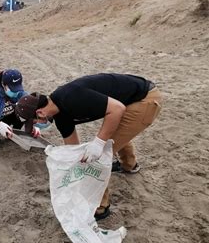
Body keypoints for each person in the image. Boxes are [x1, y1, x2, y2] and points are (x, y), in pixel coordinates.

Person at [15, 73, 162, 220]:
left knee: (99, 155)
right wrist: (72, 164)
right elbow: (74, 149)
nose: (37, 125)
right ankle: (129, 164)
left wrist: (98, 144)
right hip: (130, 100)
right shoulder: (60, 116)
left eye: (33, 122)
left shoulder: (70, 97)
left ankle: (100, 207)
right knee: (104, 143)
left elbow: (117, 110)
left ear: (40, 113)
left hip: (145, 100)